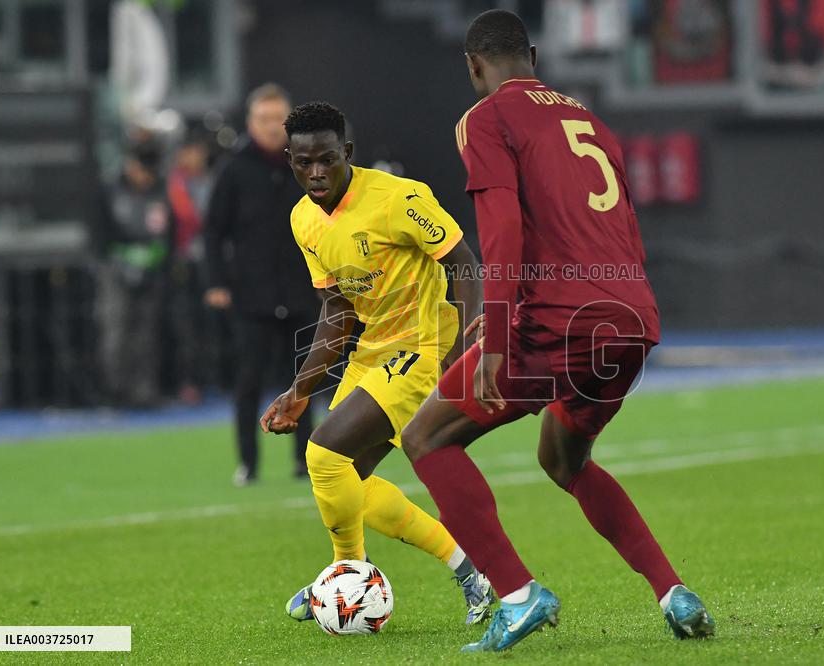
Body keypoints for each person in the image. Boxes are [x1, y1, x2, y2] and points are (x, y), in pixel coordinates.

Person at [400, 9, 715, 652]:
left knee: (427, 438)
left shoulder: (488, 118)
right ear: (534, 56)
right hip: (628, 322)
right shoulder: (590, 121)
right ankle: (672, 592)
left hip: (558, 325)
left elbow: (503, 233)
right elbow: (623, 229)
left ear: (473, 67)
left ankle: (516, 595)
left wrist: (496, 344)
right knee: (563, 459)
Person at [259, 102, 493, 625]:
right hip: (373, 352)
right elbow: (337, 312)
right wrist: (300, 390)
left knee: (322, 455)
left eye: (325, 159)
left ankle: (346, 573)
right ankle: (470, 570)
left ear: (347, 153)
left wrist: (467, 350)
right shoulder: (304, 219)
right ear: (290, 160)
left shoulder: (399, 198)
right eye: (302, 163)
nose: (315, 173)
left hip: (426, 345)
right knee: (348, 483)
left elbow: (464, 263)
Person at [203, 83, 320, 485]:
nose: (273, 127)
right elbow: (214, 230)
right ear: (251, 122)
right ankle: (248, 463)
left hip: (303, 289)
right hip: (251, 295)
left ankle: (306, 460)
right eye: (264, 119)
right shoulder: (234, 169)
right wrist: (216, 280)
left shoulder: (307, 164)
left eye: (279, 119)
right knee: (248, 380)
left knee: (306, 378)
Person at [99, 142, 171, 407]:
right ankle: (115, 392)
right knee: (116, 331)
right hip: (115, 269)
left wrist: (156, 256)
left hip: (151, 269)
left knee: (147, 333)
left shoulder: (160, 190)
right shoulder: (110, 189)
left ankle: (144, 392)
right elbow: (99, 232)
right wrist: (119, 258)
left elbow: (169, 231)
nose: (146, 176)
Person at [166, 130, 213, 404]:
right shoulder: (176, 183)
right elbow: (190, 218)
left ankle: (207, 378)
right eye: (190, 151)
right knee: (185, 326)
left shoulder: (210, 180)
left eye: (198, 151)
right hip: (183, 264)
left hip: (208, 263)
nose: (194, 157)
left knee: (208, 324)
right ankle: (186, 381)